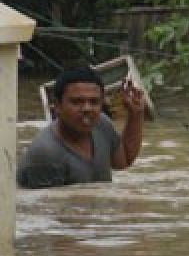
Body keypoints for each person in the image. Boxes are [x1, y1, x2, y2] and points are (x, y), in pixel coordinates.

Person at [17, 67, 146, 188]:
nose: (87, 108)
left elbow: (123, 161)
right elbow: (50, 208)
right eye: (77, 102)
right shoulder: (46, 154)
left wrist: (136, 115)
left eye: (94, 102)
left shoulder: (101, 124)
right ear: (57, 106)